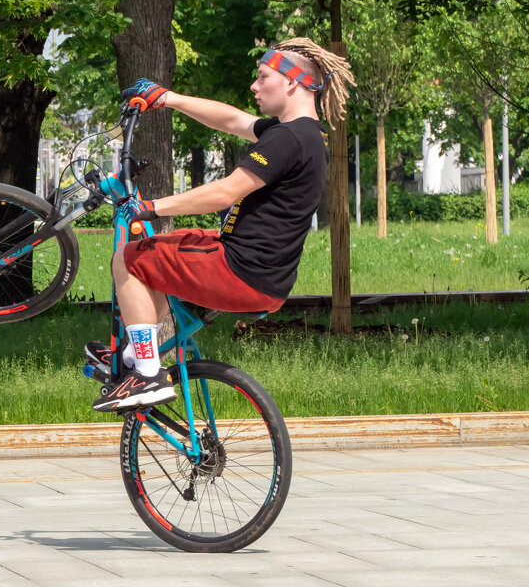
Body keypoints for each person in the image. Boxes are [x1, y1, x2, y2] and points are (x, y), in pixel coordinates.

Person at [89, 37, 355, 412]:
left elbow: (226, 193)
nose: (254, 86)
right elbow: (233, 120)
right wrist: (168, 98)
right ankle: (135, 351)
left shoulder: (288, 139)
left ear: (292, 82)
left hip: (239, 272)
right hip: (262, 276)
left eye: (263, 77)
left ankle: (146, 373)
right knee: (166, 251)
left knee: (129, 257)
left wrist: (150, 207)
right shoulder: (305, 135)